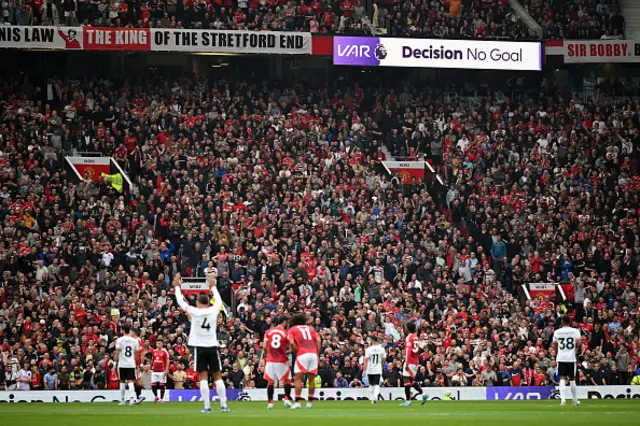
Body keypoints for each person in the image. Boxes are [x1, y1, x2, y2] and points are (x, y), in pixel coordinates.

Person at [173, 272, 230, 413]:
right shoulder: (214, 311)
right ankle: (223, 405)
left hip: (199, 347)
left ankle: (207, 406)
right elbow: (218, 300)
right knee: (217, 376)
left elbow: (181, 302)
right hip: (212, 346)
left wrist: (177, 287)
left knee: (203, 377)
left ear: (198, 303)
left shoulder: (194, 311)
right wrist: (213, 286)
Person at [288, 313, 321, 409]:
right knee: (311, 379)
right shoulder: (311, 329)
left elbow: (291, 342)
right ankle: (309, 402)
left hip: (302, 354)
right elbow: (318, 341)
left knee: (298, 378)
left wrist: (295, 350)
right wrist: (317, 354)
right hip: (313, 354)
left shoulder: (292, 329)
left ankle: (297, 402)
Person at [263, 315, 293, 409]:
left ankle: (270, 403)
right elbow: (292, 344)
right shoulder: (285, 333)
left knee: (270, 382)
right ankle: (287, 399)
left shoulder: (268, 332)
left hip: (270, 360)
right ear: (284, 321)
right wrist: (289, 351)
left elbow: (264, 346)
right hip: (281, 360)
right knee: (287, 380)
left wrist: (269, 353)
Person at [553, 315, 581, 407]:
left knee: (562, 378)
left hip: (561, 357)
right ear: (570, 322)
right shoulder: (575, 331)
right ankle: (574, 400)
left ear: (562, 322)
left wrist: (557, 353)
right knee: (572, 379)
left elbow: (554, 344)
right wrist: (576, 350)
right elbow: (579, 342)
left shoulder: (557, 332)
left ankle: (563, 400)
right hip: (571, 358)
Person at [400, 321, 428, 406]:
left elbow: (408, 350)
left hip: (410, 361)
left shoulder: (409, 337)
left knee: (406, 380)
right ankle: (423, 394)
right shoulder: (415, 337)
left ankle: (408, 401)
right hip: (416, 361)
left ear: (408, 329)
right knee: (411, 380)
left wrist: (407, 363)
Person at [115, 325, 141, 406]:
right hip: (131, 363)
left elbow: (118, 351)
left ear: (123, 330)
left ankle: (122, 400)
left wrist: (115, 362)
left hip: (122, 364)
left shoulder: (119, 340)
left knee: (122, 381)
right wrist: (136, 363)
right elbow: (137, 353)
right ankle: (132, 399)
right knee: (130, 381)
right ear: (129, 331)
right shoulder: (134, 340)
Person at [363, 334, 385, 404]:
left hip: (370, 369)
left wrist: (364, 370)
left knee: (371, 385)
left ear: (372, 340)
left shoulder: (368, 349)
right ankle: (375, 397)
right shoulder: (381, 349)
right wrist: (381, 365)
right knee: (377, 384)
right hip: (378, 368)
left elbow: (365, 361)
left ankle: (372, 399)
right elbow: (384, 359)